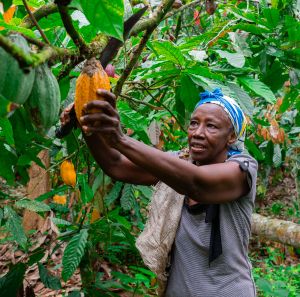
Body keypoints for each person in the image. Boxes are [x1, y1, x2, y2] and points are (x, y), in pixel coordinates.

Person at [61, 88, 258, 297]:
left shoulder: (242, 169)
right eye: (194, 123)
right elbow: (116, 164)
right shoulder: (178, 162)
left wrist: (120, 139)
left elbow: (196, 184)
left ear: (232, 137)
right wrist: (86, 123)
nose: (198, 133)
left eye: (211, 126)